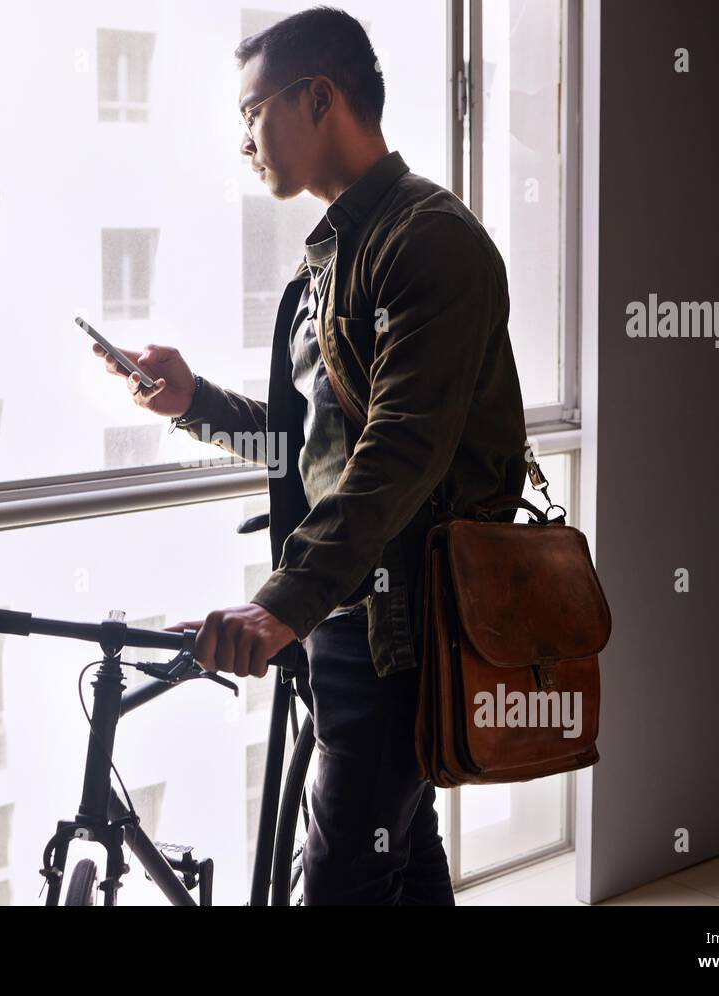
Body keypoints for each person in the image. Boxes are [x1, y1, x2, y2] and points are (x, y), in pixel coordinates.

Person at [92, 5, 528, 905]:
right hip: (345, 616)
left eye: (252, 115)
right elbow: (303, 447)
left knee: (337, 877)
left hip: (405, 632)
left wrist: (278, 604)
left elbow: (399, 453)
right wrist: (193, 402)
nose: (245, 142)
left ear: (319, 97)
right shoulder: (327, 261)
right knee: (401, 863)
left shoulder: (430, 242)